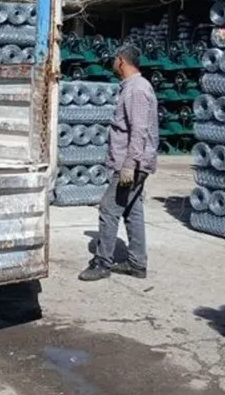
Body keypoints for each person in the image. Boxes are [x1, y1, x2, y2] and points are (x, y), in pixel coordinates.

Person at [79, 44, 159, 282]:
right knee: (132, 212)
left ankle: (102, 262)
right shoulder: (132, 88)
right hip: (132, 162)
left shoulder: (137, 90)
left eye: (115, 59)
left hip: (131, 164)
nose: (113, 63)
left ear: (122, 61)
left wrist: (129, 165)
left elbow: (139, 131)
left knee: (108, 208)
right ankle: (136, 263)